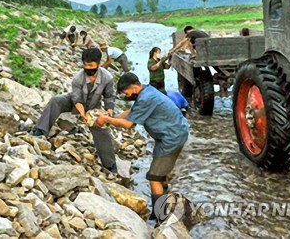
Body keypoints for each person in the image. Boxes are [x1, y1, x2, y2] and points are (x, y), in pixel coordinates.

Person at [95, 72, 189, 224]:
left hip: (171, 138)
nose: (126, 96)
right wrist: (113, 116)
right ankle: (164, 205)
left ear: (133, 87)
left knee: (154, 178)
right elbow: (131, 113)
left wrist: (106, 120)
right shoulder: (147, 91)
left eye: (126, 93)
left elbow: (128, 124)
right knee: (162, 174)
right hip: (173, 133)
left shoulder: (146, 98)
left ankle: (160, 218)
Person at [33, 48, 117, 172]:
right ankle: (41, 130)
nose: (88, 68)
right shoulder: (78, 78)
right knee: (56, 100)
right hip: (75, 102)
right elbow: (76, 98)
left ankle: (109, 163)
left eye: (91, 65)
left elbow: (109, 97)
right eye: (85, 65)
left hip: (94, 107)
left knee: (103, 131)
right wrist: (83, 114)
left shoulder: (107, 78)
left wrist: (109, 113)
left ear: (99, 64)